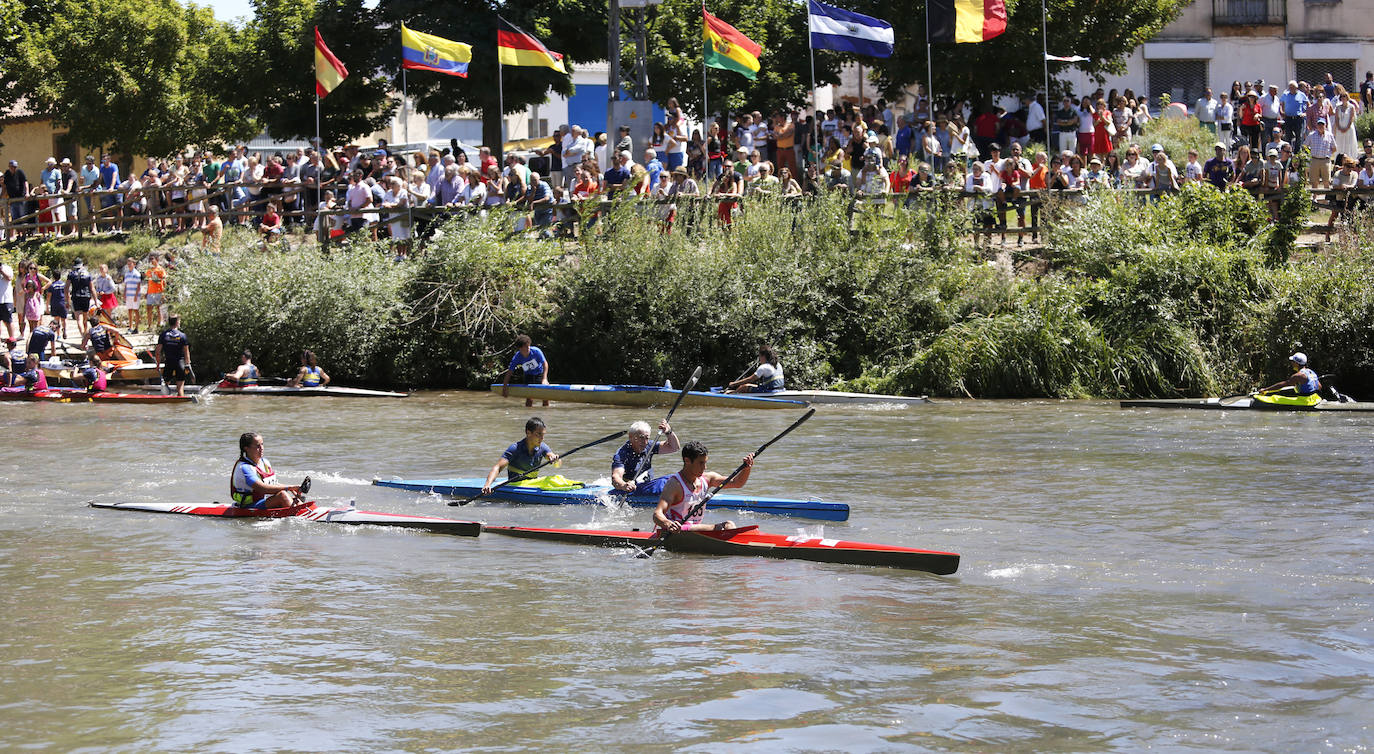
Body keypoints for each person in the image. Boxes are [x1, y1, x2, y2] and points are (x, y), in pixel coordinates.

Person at [652, 441, 754, 533]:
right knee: (728, 526)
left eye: (705, 462)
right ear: (687, 461)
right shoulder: (674, 484)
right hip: (675, 531)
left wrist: (746, 468)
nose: (704, 467)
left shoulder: (708, 479)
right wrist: (668, 524)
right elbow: (657, 514)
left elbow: (737, 483)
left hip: (695, 531)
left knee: (728, 526)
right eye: (701, 463)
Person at [481, 417, 560, 494]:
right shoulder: (515, 449)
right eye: (538, 434)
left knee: (558, 478)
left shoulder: (542, 447)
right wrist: (487, 484)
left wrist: (555, 460)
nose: (542, 438)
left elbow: (556, 462)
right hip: (515, 485)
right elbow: (497, 467)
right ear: (528, 433)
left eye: (543, 434)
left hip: (532, 484)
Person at [230, 432, 305, 509]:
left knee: (294, 499)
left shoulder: (265, 462)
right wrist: (289, 487)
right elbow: (262, 488)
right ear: (246, 448)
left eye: (262, 444)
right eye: (257, 446)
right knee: (282, 495)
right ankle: (300, 515)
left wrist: (293, 489)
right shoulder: (244, 468)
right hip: (248, 506)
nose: (261, 448)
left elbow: (272, 484)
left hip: (264, 501)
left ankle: (304, 512)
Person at [610, 419, 681, 495]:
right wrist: (624, 486)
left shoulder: (649, 446)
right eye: (641, 437)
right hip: (632, 489)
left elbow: (674, 447)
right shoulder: (621, 454)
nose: (644, 442)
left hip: (647, 485)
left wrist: (669, 432)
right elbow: (616, 477)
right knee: (663, 482)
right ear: (631, 437)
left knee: (674, 478)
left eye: (647, 438)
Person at [501, 334, 549, 407]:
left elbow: (545, 364)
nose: (528, 349)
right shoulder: (517, 357)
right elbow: (510, 371)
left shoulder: (536, 351)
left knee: (545, 398)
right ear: (520, 349)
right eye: (525, 347)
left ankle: (546, 412)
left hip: (539, 374)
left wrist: (545, 379)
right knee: (529, 399)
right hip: (528, 375)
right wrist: (504, 387)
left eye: (528, 346)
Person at [153, 314, 191, 396]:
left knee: (165, 388)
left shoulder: (163, 335)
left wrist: (158, 364)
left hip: (169, 363)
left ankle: (166, 406)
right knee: (180, 389)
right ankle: (180, 407)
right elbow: (186, 353)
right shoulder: (182, 336)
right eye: (179, 321)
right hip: (180, 364)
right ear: (177, 322)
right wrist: (188, 365)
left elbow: (157, 352)